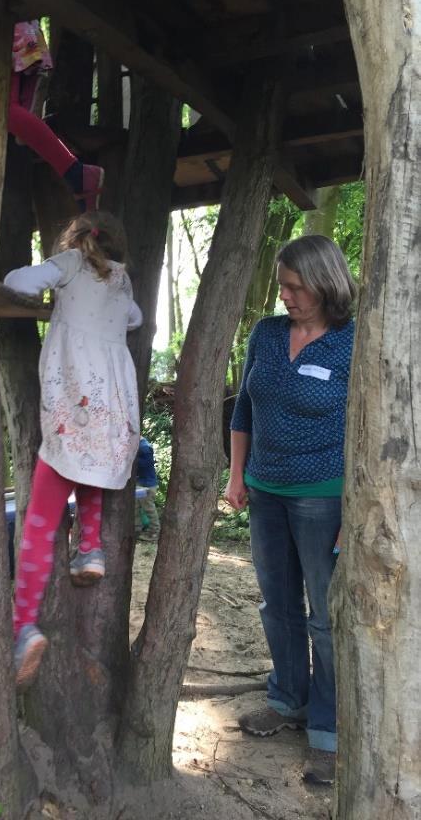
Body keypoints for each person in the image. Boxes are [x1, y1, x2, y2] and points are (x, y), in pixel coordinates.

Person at [224, 235, 356, 786]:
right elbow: (245, 406)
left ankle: (327, 730)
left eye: (295, 287)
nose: (284, 296)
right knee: (276, 604)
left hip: (324, 495)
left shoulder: (354, 341)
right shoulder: (267, 333)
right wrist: (236, 474)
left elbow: (370, 427)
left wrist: (356, 509)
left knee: (325, 618)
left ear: (325, 284)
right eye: (281, 284)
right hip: (264, 490)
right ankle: (287, 698)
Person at [4, 211, 142, 688]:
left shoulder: (67, 264)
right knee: (93, 465)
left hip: (70, 412)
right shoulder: (122, 281)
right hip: (111, 416)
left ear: (76, 241)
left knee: (39, 526)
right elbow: (136, 318)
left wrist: (52, 284)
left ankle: (24, 626)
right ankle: (89, 547)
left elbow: (18, 281)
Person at [10, 21, 104, 211]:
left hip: (14, 31)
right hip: (22, 30)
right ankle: (77, 174)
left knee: (5, 111)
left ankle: (77, 173)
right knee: (16, 127)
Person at [135, 436, 161, 542]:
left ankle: (154, 532)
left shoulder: (144, 448)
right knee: (135, 506)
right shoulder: (141, 446)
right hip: (141, 483)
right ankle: (136, 529)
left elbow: (145, 464)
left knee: (149, 509)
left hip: (147, 485)